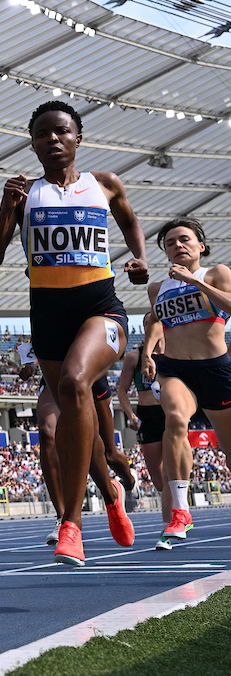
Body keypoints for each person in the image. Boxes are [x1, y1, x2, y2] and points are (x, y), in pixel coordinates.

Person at [0, 100, 145, 566]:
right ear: (32, 143)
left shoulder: (104, 185)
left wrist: (139, 257)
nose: (52, 140)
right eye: (42, 134)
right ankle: (111, 495)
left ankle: (70, 526)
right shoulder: (24, 192)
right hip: (47, 315)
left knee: (75, 383)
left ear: (78, 138)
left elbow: (130, 221)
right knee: (76, 418)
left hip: (101, 308)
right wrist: (6, 209)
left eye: (61, 132)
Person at [141, 217, 231, 545]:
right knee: (176, 420)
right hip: (175, 369)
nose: (177, 245)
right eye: (170, 243)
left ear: (201, 246)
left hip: (215, 369)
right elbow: (154, 321)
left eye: (184, 240)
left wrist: (195, 283)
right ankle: (181, 510)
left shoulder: (217, 273)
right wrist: (148, 352)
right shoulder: (156, 288)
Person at [17, 342, 132, 546]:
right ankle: (64, 519)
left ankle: (122, 487)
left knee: (109, 454)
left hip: (91, 371)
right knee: (47, 433)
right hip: (57, 371)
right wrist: (29, 362)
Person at [117, 341, 173, 549]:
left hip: (171, 413)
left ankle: (168, 528)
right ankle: (137, 486)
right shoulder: (135, 356)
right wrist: (130, 414)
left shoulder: (175, 349)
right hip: (147, 415)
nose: (151, 326)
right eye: (146, 323)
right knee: (160, 482)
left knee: (169, 476)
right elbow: (122, 390)